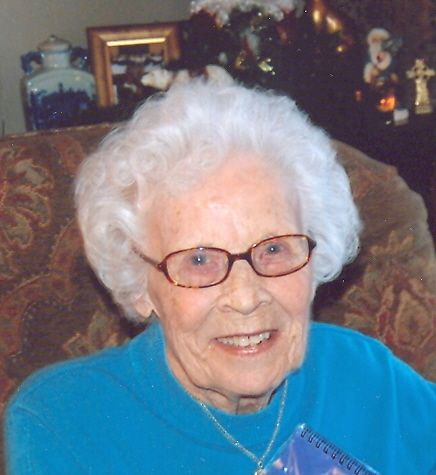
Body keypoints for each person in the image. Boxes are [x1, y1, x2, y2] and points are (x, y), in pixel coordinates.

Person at [4, 81, 436, 475]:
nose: (246, 297)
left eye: (273, 250)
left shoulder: (366, 375)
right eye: (199, 260)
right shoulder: (63, 421)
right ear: (139, 284)